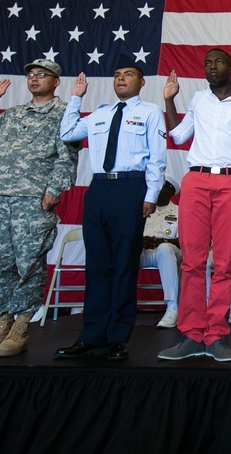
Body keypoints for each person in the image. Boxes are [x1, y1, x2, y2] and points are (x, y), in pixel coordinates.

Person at [0, 59, 80, 357]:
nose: (34, 78)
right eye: (31, 74)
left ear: (56, 81)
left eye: (42, 74)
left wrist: (54, 190)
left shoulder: (65, 113)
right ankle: (1, 326)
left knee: (29, 263)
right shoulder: (13, 113)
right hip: (0, 196)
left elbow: (67, 157)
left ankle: (21, 329)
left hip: (34, 198)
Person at [56, 56, 166, 361]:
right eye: (117, 75)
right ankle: (92, 335)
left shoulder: (150, 112)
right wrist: (76, 97)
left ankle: (118, 337)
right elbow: (67, 134)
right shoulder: (100, 115)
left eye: (128, 75)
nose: (121, 79)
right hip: (99, 188)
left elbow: (157, 157)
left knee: (123, 266)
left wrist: (151, 195)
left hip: (131, 189)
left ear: (141, 82)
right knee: (97, 266)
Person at [158, 48, 231, 363]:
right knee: (191, 261)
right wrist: (169, 99)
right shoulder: (198, 100)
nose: (211, 66)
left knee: (226, 260)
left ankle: (215, 334)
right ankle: (191, 334)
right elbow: (178, 135)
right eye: (207, 63)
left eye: (218, 62)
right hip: (197, 180)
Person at [140, 178, 181, 329]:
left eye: (161, 187)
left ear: (170, 191)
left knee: (164, 249)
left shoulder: (179, 210)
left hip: (169, 254)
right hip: (143, 252)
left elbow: (185, 240)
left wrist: (160, 242)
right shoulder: (141, 207)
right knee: (125, 251)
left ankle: (172, 308)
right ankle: (119, 304)